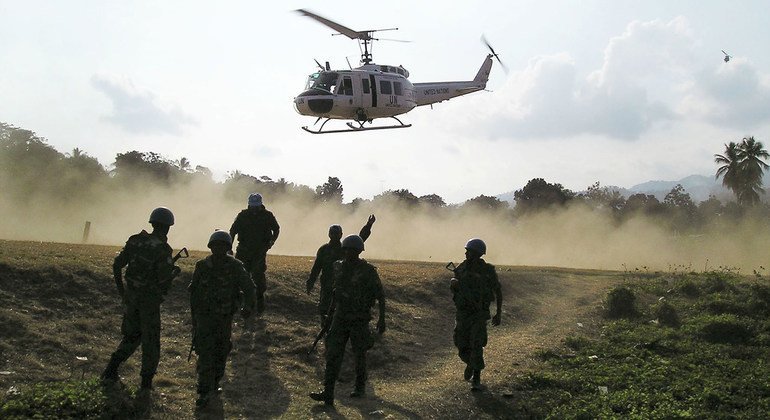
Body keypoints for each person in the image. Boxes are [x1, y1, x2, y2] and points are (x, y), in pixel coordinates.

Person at [101, 207, 178, 390]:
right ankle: (146, 383)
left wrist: (122, 291)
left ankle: (111, 368)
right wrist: (173, 273)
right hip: (149, 301)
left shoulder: (135, 241)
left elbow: (117, 265)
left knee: (132, 336)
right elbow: (162, 280)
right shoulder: (162, 249)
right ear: (168, 227)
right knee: (151, 341)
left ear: (152, 223)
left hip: (132, 297)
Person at [309, 235, 386, 405]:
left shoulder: (368, 271)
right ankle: (328, 392)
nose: (349, 253)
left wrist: (382, 319)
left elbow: (380, 295)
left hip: (359, 318)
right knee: (333, 354)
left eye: (352, 250)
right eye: (346, 250)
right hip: (340, 317)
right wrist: (330, 315)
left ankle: (359, 386)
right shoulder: (338, 267)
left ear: (359, 252)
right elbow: (336, 293)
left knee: (359, 353)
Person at [189, 230, 256, 409]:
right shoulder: (202, 266)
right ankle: (203, 392)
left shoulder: (235, 266)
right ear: (211, 247)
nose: (219, 249)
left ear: (227, 248)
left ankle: (215, 382)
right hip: (204, 318)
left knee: (221, 351)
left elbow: (249, 288)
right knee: (205, 353)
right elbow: (193, 292)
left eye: (222, 246)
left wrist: (247, 307)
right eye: (216, 245)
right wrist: (194, 317)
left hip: (224, 318)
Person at [449, 238, 502, 391]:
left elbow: (498, 291)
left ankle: (477, 377)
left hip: (479, 314)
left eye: (469, 251)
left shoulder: (488, 271)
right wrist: (454, 284)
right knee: (460, 343)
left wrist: (498, 313)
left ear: (477, 254)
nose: (466, 253)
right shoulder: (461, 269)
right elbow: (455, 289)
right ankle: (471, 364)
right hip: (463, 313)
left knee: (477, 343)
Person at [306, 215, 376, 326]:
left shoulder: (345, 248)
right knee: (324, 308)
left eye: (336, 233)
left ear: (341, 235)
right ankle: (325, 327)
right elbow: (316, 267)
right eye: (332, 233)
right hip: (326, 285)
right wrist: (310, 282)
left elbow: (360, 239)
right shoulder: (323, 250)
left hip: (342, 285)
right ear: (329, 234)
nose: (334, 236)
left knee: (340, 308)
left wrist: (368, 226)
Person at [229, 193, 279, 315]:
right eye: (252, 206)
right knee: (239, 275)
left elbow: (276, 229)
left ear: (260, 204)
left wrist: (272, 241)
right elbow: (233, 231)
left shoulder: (267, 216)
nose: (254, 209)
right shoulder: (242, 215)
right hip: (243, 250)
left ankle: (259, 305)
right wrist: (229, 246)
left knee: (258, 276)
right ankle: (238, 304)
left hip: (260, 251)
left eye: (256, 206)